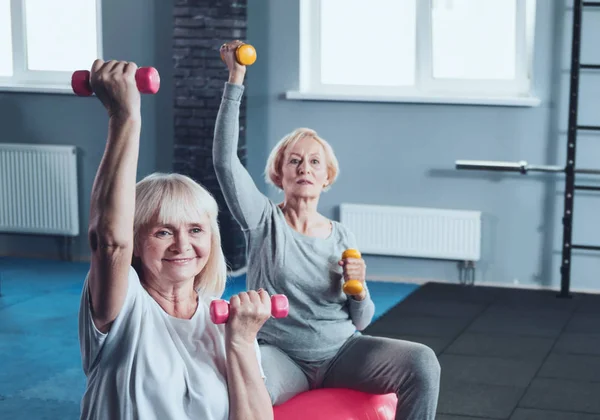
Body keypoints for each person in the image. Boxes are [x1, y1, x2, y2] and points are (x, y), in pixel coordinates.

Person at [213, 41, 442, 419]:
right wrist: (236, 78)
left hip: (342, 352)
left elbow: (361, 319)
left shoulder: (342, 236)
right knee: (240, 389)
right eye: (295, 161)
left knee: (422, 362)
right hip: (282, 357)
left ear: (326, 176)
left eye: (314, 162)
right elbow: (224, 162)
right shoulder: (263, 221)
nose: (305, 167)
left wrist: (360, 288)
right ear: (279, 173)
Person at [78, 59, 273, 420]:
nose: (182, 245)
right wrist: (125, 118)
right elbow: (108, 242)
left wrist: (242, 343)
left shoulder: (224, 320)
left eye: (195, 230)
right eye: (163, 231)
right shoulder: (124, 308)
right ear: (135, 241)